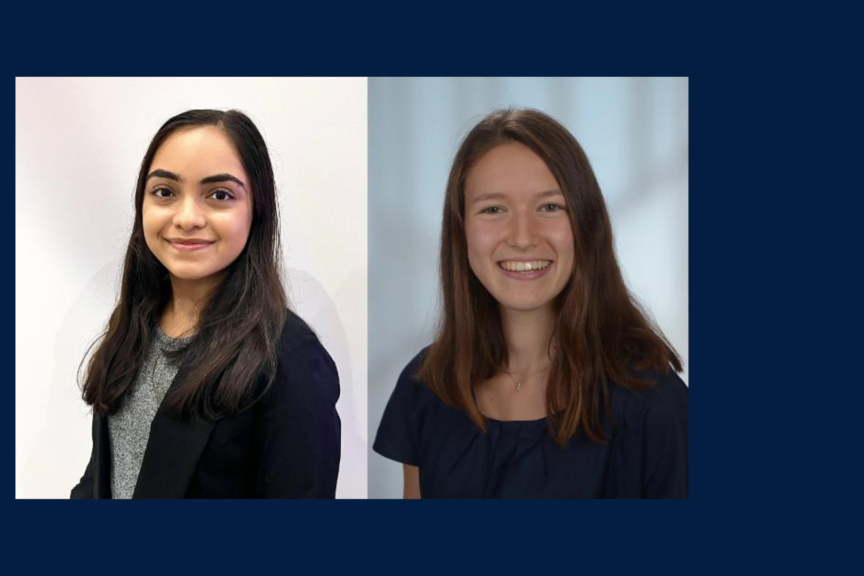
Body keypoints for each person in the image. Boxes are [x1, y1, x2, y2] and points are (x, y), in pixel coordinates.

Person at [373, 108, 687, 498]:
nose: (523, 237)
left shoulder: (655, 406)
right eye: (493, 209)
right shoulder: (427, 386)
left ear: (586, 224)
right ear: (461, 231)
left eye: (550, 207)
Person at [71, 109, 340, 498]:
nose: (187, 217)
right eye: (165, 192)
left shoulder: (290, 360)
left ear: (256, 211)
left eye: (219, 195)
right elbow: (103, 476)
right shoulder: (136, 325)